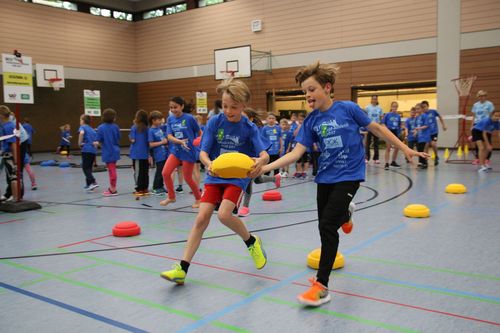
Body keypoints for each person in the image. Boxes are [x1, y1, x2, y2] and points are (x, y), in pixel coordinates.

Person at [259, 61, 427, 307]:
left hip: (349, 175)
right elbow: (296, 154)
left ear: (327, 88)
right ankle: (346, 214)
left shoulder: (347, 109)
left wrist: (404, 148)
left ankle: (322, 286)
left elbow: (377, 129)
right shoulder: (311, 121)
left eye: (312, 89)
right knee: (324, 225)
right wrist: (265, 167)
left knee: (327, 227)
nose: (308, 95)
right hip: (325, 177)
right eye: (305, 91)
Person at [160, 79, 269, 285]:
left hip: (237, 178)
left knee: (224, 215)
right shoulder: (215, 122)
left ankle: (251, 241)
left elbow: (264, 154)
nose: (228, 110)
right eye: (225, 106)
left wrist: (261, 160)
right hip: (215, 175)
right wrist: (208, 163)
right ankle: (181, 269)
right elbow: (202, 152)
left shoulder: (249, 128)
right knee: (201, 219)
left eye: (234, 107)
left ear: (244, 105)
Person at [160, 96, 202, 208]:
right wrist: (179, 141)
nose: (173, 109)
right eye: (171, 107)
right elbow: (169, 136)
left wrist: (199, 144)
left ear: (182, 106)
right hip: (176, 151)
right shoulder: (170, 119)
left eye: (175, 107)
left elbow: (200, 133)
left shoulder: (190, 118)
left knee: (188, 178)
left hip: (188, 151)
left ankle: (198, 198)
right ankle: (171, 197)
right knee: (165, 173)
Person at [238, 108, 279, 218]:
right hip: (242, 158)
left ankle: (245, 207)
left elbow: (261, 148)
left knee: (248, 181)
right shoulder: (237, 128)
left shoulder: (253, 130)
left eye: (244, 117)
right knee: (258, 180)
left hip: (254, 159)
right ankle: (275, 179)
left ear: (251, 119)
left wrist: (259, 159)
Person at [97, 108, 121, 196]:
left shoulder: (100, 128)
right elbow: (118, 138)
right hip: (115, 150)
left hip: (107, 151)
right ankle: (112, 187)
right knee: (112, 169)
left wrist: (97, 144)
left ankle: (113, 189)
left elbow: (99, 140)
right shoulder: (116, 127)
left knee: (111, 171)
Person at [0, 105, 21, 201]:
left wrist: (16, 160)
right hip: (5, 154)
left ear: (2, 116)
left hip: (9, 156)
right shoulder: (5, 126)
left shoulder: (8, 126)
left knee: (13, 177)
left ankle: (16, 198)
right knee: (11, 177)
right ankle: (13, 197)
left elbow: (13, 144)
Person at [471, 90, 495, 164]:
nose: (482, 97)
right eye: (480, 96)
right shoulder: (475, 105)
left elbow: (492, 115)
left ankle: (487, 158)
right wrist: (472, 126)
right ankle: (478, 158)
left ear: (486, 96)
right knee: (477, 142)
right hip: (477, 125)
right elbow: (474, 116)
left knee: (487, 141)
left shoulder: (489, 104)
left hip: (486, 125)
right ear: (478, 97)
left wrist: (491, 125)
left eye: (484, 96)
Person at [129, 110, 150, 196]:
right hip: (145, 153)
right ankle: (145, 188)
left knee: (138, 171)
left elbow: (133, 140)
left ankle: (139, 188)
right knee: (145, 171)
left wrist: (129, 137)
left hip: (137, 154)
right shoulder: (147, 128)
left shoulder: (135, 127)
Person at [149, 111, 168, 195]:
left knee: (163, 171)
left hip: (164, 153)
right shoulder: (151, 131)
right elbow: (151, 144)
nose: (161, 121)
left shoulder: (159, 129)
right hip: (158, 154)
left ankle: (161, 186)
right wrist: (162, 142)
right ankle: (156, 187)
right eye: (159, 120)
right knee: (159, 171)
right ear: (153, 120)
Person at [421, 100, 446, 166]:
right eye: (423, 107)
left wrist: (443, 125)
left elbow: (440, 116)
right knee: (426, 146)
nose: (424, 108)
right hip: (426, 133)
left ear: (428, 106)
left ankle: (436, 156)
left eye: (425, 106)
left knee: (433, 144)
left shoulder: (433, 112)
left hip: (434, 131)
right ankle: (425, 161)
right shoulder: (422, 115)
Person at [78, 114, 99, 191]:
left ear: (83, 121)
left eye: (80, 120)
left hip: (86, 150)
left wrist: (79, 143)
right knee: (89, 167)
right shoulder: (92, 129)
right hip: (93, 151)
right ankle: (88, 184)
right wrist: (95, 149)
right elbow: (96, 142)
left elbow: (81, 133)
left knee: (85, 167)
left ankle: (93, 182)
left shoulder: (82, 127)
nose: (80, 121)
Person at [383, 101, 402, 170]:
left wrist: (400, 132)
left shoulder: (398, 116)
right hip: (389, 132)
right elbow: (383, 123)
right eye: (393, 106)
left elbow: (399, 125)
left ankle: (393, 162)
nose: (394, 108)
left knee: (397, 147)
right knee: (388, 147)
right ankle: (386, 163)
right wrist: (386, 130)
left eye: (396, 106)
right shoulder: (387, 115)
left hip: (396, 132)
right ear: (391, 107)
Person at [364, 95, 383, 164]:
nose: (374, 100)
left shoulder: (379, 108)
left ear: (377, 100)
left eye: (376, 99)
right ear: (371, 100)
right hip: (369, 127)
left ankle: (376, 158)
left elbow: (381, 118)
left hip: (376, 128)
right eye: (373, 99)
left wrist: (380, 126)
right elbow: (365, 117)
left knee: (376, 143)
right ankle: (367, 158)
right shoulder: (367, 107)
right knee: (367, 143)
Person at [292, 113, 310, 178]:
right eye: (300, 119)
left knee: (306, 159)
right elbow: (294, 134)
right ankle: (299, 172)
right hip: (298, 145)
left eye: (302, 119)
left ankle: (305, 172)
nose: (301, 121)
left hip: (305, 146)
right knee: (298, 159)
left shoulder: (308, 126)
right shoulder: (295, 126)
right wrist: (298, 127)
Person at [413, 103, 430, 169]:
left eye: (418, 109)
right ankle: (421, 162)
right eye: (416, 109)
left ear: (421, 109)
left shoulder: (425, 116)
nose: (417, 110)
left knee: (421, 149)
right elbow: (416, 126)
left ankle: (424, 163)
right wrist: (415, 132)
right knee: (419, 149)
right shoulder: (417, 117)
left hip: (424, 136)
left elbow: (426, 125)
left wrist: (419, 128)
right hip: (419, 136)